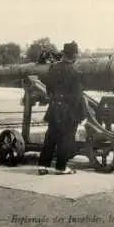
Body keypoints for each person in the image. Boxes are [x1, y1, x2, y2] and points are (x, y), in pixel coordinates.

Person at [38, 41, 86, 175]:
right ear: (74, 55)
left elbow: (48, 87)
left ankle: (43, 166)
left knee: (51, 137)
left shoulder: (53, 67)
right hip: (68, 109)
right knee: (66, 138)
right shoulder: (75, 71)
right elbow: (77, 96)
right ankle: (61, 167)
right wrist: (80, 114)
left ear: (64, 53)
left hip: (54, 107)